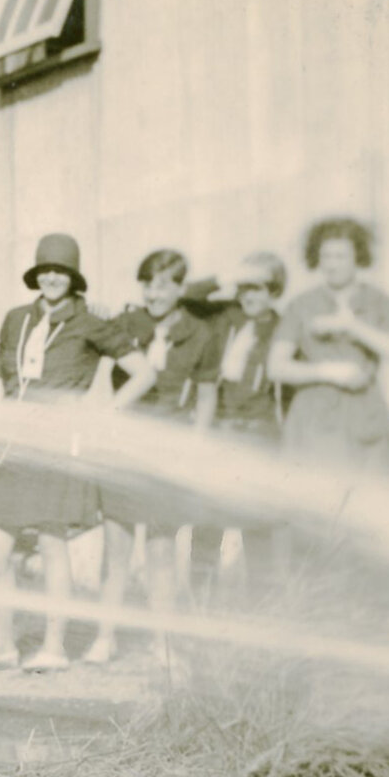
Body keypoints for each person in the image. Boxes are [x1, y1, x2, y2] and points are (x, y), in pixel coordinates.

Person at [0, 233, 151, 672]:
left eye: (62, 272)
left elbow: (143, 373)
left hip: (55, 446)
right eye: (46, 271)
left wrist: (104, 415)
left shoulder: (91, 323)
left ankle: (54, 647)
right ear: (37, 276)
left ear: (74, 279)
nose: (53, 278)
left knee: (53, 543)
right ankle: (1, 644)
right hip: (11, 447)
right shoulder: (16, 319)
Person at [85, 249, 218, 663]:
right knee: (117, 546)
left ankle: (162, 641)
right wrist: (96, 313)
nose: (154, 293)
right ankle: (105, 637)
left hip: (169, 449)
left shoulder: (200, 332)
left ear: (180, 288)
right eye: (148, 284)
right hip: (124, 446)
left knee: (162, 550)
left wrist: (195, 450)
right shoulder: (126, 322)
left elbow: (208, 394)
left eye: (164, 285)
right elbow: (90, 339)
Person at [267, 217, 389, 478]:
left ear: (358, 257)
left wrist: (352, 326)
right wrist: (327, 371)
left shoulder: (379, 301)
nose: (331, 265)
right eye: (326, 256)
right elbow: (276, 367)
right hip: (314, 417)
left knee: (372, 506)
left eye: (340, 256)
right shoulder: (302, 304)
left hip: (367, 415)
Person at [193, 252, 290, 600]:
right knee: (206, 522)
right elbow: (189, 295)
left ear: (274, 291)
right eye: (245, 288)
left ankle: (261, 611)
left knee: (256, 524)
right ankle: (199, 607)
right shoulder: (225, 318)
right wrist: (227, 276)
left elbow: (289, 394)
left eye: (259, 288)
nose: (250, 296)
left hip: (257, 434)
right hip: (219, 431)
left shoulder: (283, 328)